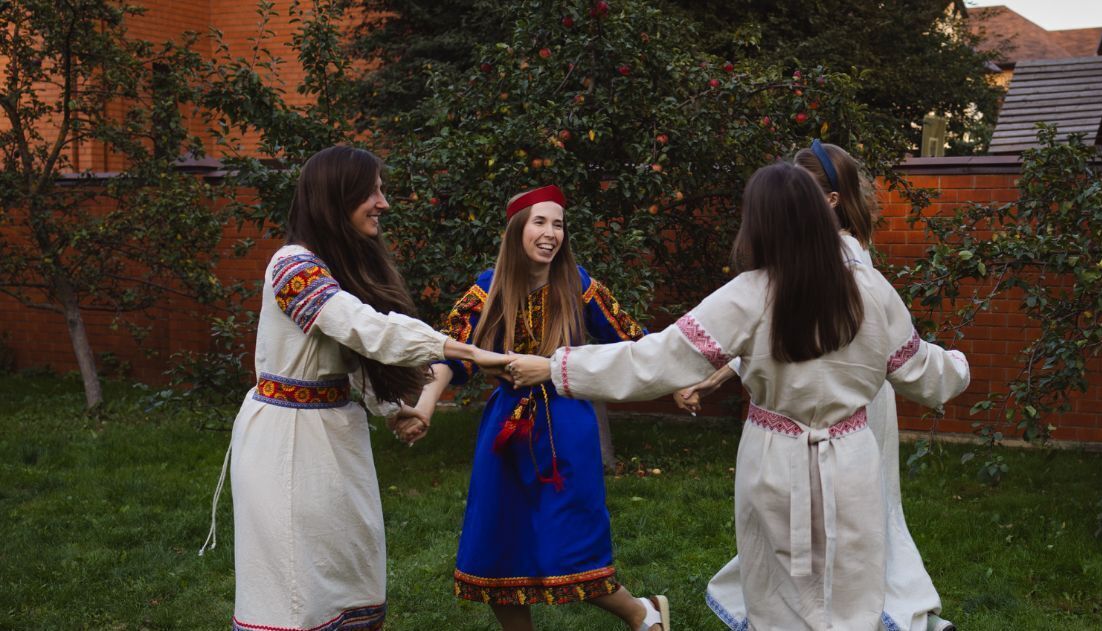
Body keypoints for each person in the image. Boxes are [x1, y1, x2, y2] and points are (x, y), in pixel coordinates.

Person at [505, 163, 970, 630]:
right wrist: (959, 365)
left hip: (775, 461)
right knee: (852, 593)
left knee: (777, 596)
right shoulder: (871, 289)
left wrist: (554, 367)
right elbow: (926, 374)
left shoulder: (748, 295)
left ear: (759, 224)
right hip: (851, 460)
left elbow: (655, 359)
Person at [200, 146, 509, 631]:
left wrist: (392, 410)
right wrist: (465, 350)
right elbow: (366, 330)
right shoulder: (292, 267)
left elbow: (348, 360)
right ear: (335, 196)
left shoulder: (331, 268)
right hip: (287, 444)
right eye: (372, 191)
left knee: (349, 565)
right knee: (295, 581)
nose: (383, 203)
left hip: (335, 433)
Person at [677, 141, 956, 631]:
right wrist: (721, 370)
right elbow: (783, 337)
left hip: (854, 401)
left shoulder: (848, 262)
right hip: (823, 405)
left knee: (852, 519)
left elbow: (815, 343)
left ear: (828, 199)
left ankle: (875, 605)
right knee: (829, 523)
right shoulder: (804, 261)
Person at [394, 185, 669, 631]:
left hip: (568, 428)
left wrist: (681, 381)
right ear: (517, 230)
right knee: (498, 546)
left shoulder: (579, 285)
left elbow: (634, 341)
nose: (550, 233)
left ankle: (644, 615)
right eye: (540, 222)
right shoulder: (488, 289)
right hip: (506, 432)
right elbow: (449, 355)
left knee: (572, 542)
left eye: (558, 224)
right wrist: (424, 408)